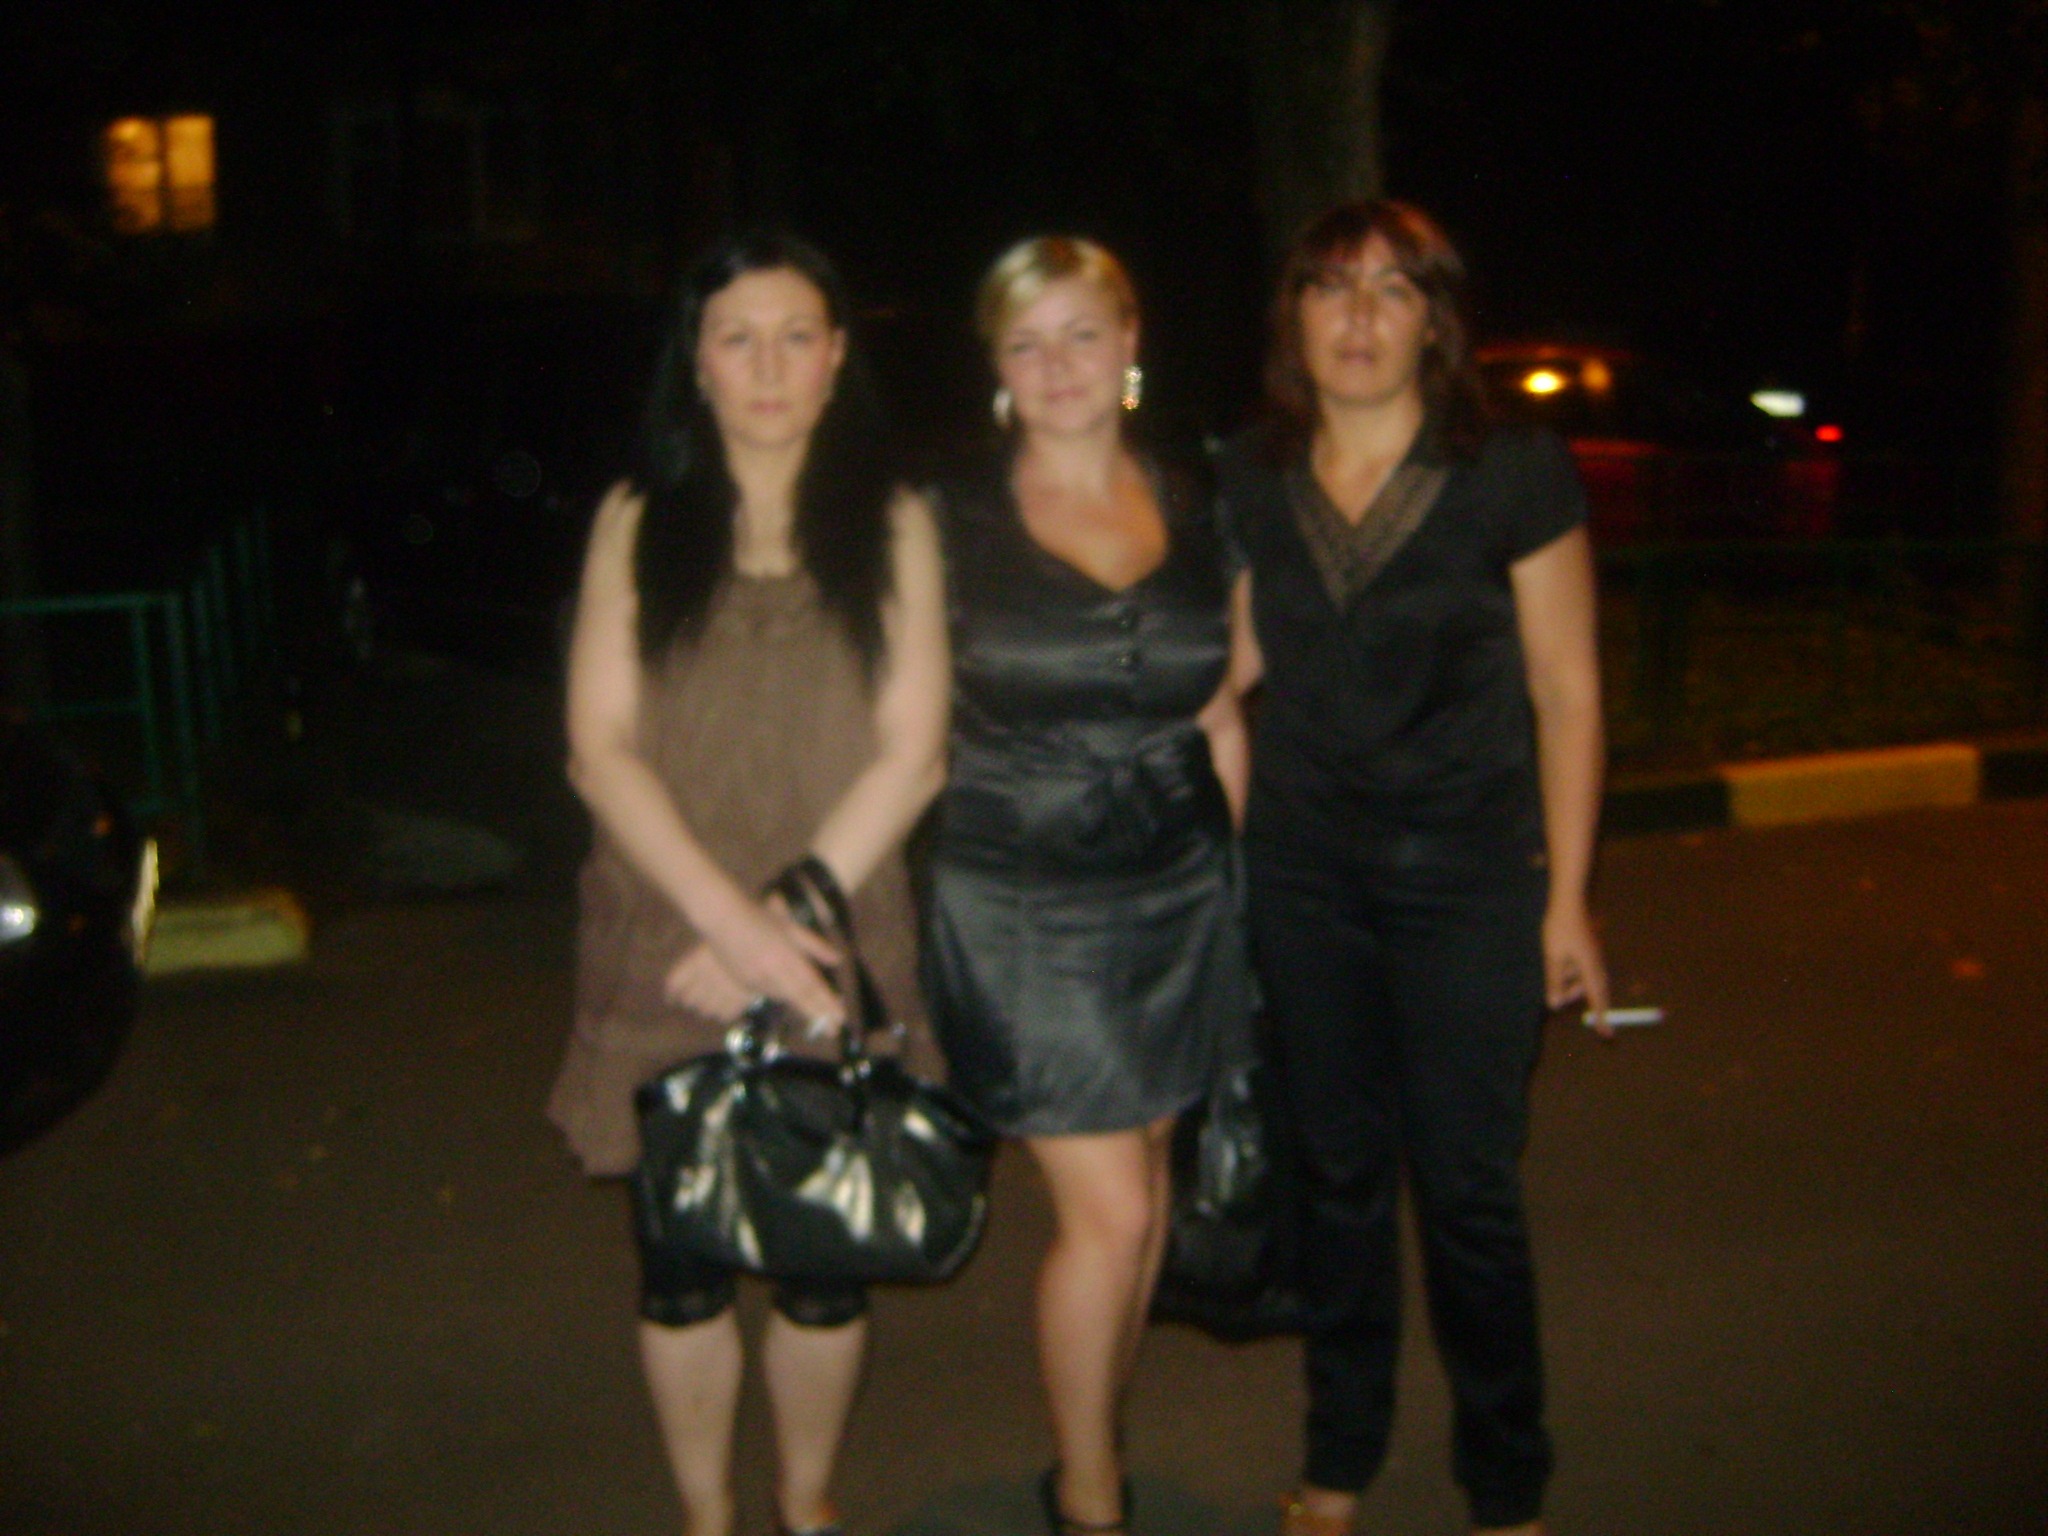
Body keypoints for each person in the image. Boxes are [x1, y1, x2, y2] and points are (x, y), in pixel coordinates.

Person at [547, 230, 948, 1536]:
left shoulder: (895, 520)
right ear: (699, 363)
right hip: (666, 939)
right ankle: (708, 1518)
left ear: (835, 359)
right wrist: (732, 928)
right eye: (737, 338)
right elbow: (599, 749)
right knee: (683, 1267)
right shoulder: (636, 520)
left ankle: (807, 1505)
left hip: (838, 937)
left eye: (794, 336)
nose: (767, 366)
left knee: (825, 1268)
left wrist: (786, 928)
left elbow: (916, 751)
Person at [1218, 200, 1609, 1536]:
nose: (1361, 318)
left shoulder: (1512, 471)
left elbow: (1567, 692)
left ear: (1437, 321)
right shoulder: (1252, 473)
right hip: (1303, 875)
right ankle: (1341, 1447)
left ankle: (1506, 1475)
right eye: (1333, 288)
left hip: (1469, 879)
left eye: (1395, 291)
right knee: (1334, 1179)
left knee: (1467, 1191)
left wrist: (1566, 899)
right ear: (1295, 315)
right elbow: (1229, 669)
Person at [923, 236, 1255, 1536]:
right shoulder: (945, 516)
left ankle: (1094, 1431)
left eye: (1080, 333)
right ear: (997, 366)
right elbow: (900, 724)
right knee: (1107, 1211)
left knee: (1155, 1176)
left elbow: (1219, 710)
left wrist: (1237, 890)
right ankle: (1090, 1500)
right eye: (1026, 341)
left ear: (1129, 342)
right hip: (1021, 889)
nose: (1057, 365)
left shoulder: (1196, 496)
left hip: (1181, 879)